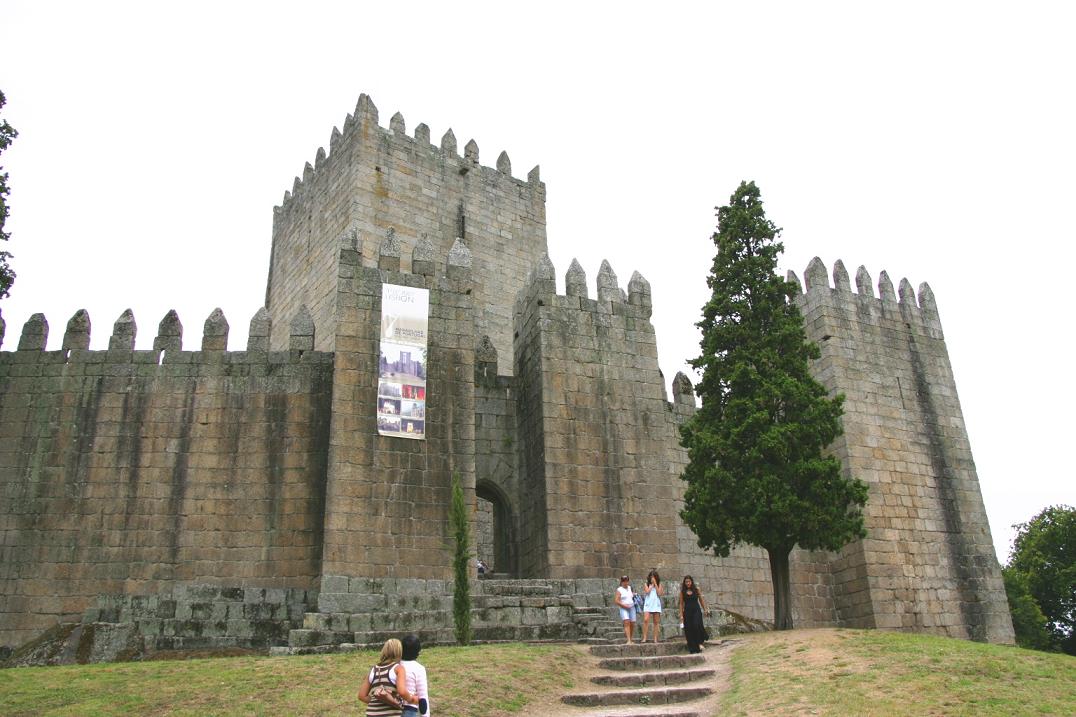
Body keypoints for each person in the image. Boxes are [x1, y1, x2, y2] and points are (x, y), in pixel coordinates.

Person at [358, 638, 414, 716]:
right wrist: (411, 699)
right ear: (399, 652)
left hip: (372, 714)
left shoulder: (373, 670)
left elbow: (361, 696)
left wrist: (377, 701)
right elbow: (402, 691)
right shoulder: (398, 668)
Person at [400, 634, 430, 717]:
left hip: (392, 708)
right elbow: (423, 696)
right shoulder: (419, 669)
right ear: (418, 651)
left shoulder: (395, 666)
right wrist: (425, 715)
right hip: (409, 709)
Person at [678, 575, 709, 654]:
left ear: (691, 582)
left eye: (689, 581)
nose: (688, 583)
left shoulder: (696, 590)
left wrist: (705, 609)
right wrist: (681, 615)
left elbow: (701, 600)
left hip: (696, 611)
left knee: (696, 625)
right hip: (687, 612)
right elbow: (681, 604)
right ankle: (692, 647)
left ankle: (699, 643)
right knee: (689, 629)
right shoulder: (682, 592)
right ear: (684, 583)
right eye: (686, 582)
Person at [641, 569, 664, 643]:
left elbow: (659, 594)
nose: (652, 578)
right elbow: (647, 592)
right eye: (651, 577)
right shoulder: (646, 584)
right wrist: (651, 586)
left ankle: (655, 638)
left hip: (656, 604)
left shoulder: (659, 584)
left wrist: (655, 584)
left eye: (654, 577)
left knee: (656, 622)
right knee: (646, 620)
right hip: (648, 604)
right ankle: (644, 637)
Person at [613, 575, 636, 644]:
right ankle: (628, 640)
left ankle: (631, 639)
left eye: (626, 581)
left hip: (632, 607)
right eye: (624, 581)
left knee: (632, 623)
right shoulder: (619, 589)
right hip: (623, 607)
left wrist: (634, 594)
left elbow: (631, 596)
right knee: (626, 622)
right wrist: (624, 605)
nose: (625, 583)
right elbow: (616, 601)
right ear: (621, 582)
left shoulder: (630, 588)